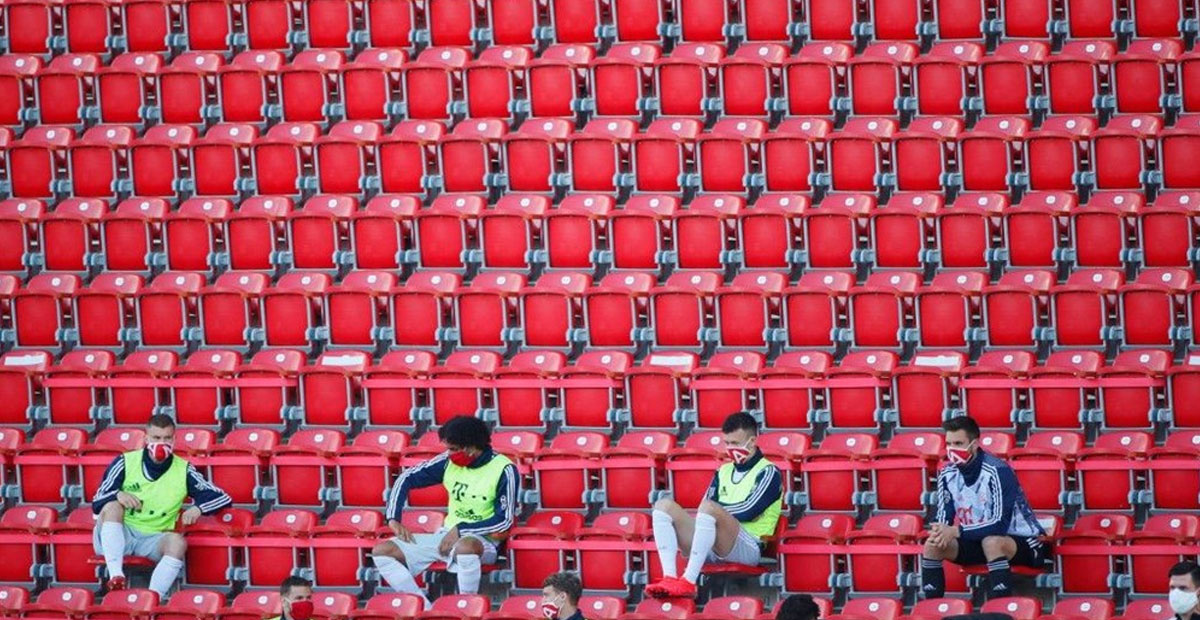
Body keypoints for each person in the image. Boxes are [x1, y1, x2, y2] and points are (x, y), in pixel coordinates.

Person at [372, 416, 519, 605]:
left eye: (453, 449)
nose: (448, 454)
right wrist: (393, 518)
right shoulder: (447, 461)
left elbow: (504, 521)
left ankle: (466, 607)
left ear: (471, 447)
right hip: (446, 535)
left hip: (484, 540)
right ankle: (424, 608)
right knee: (382, 551)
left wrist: (460, 529)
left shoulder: (504, 469)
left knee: (465, 546)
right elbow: (405, 479)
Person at [644, 411, 783, 599]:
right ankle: (669, 577)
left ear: (752, 441)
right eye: (727, 443)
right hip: (713, 542)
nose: (730, 448)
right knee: (663, 506)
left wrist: (718, 510)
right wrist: (715, 512)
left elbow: (749, 510)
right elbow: (707, 507)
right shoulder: (723, 471)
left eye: (735, 443)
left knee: (709, 509)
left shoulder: (769, 472)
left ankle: (689, 581)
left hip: (749, 546)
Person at [91, 414, 233, 596]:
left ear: (174, 440)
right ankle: (116, 575)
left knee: (178, 543)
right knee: (112, 506)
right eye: (156, 438)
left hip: (154, 538)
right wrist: (118, 494)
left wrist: (199, 508)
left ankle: (153, 598)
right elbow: (98, 499)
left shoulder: (184, 469)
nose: (161, 443)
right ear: (146, 438)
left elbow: (222, 497)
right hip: (122, 532)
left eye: (167, 438)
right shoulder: (125, 462)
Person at [921, 415, 1049, 600]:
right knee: (932, 546)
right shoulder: (947, 473)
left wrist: (955, 531)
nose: (952, 449)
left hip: (1022, 542)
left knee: (992, 541)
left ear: (974, 444)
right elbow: (944, 515)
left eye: (958, 443)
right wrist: (939, 532)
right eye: (949, 443)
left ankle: (999, 608)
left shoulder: (998, 471)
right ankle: (932, 608)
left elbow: (999, 525)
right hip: (976, 540)